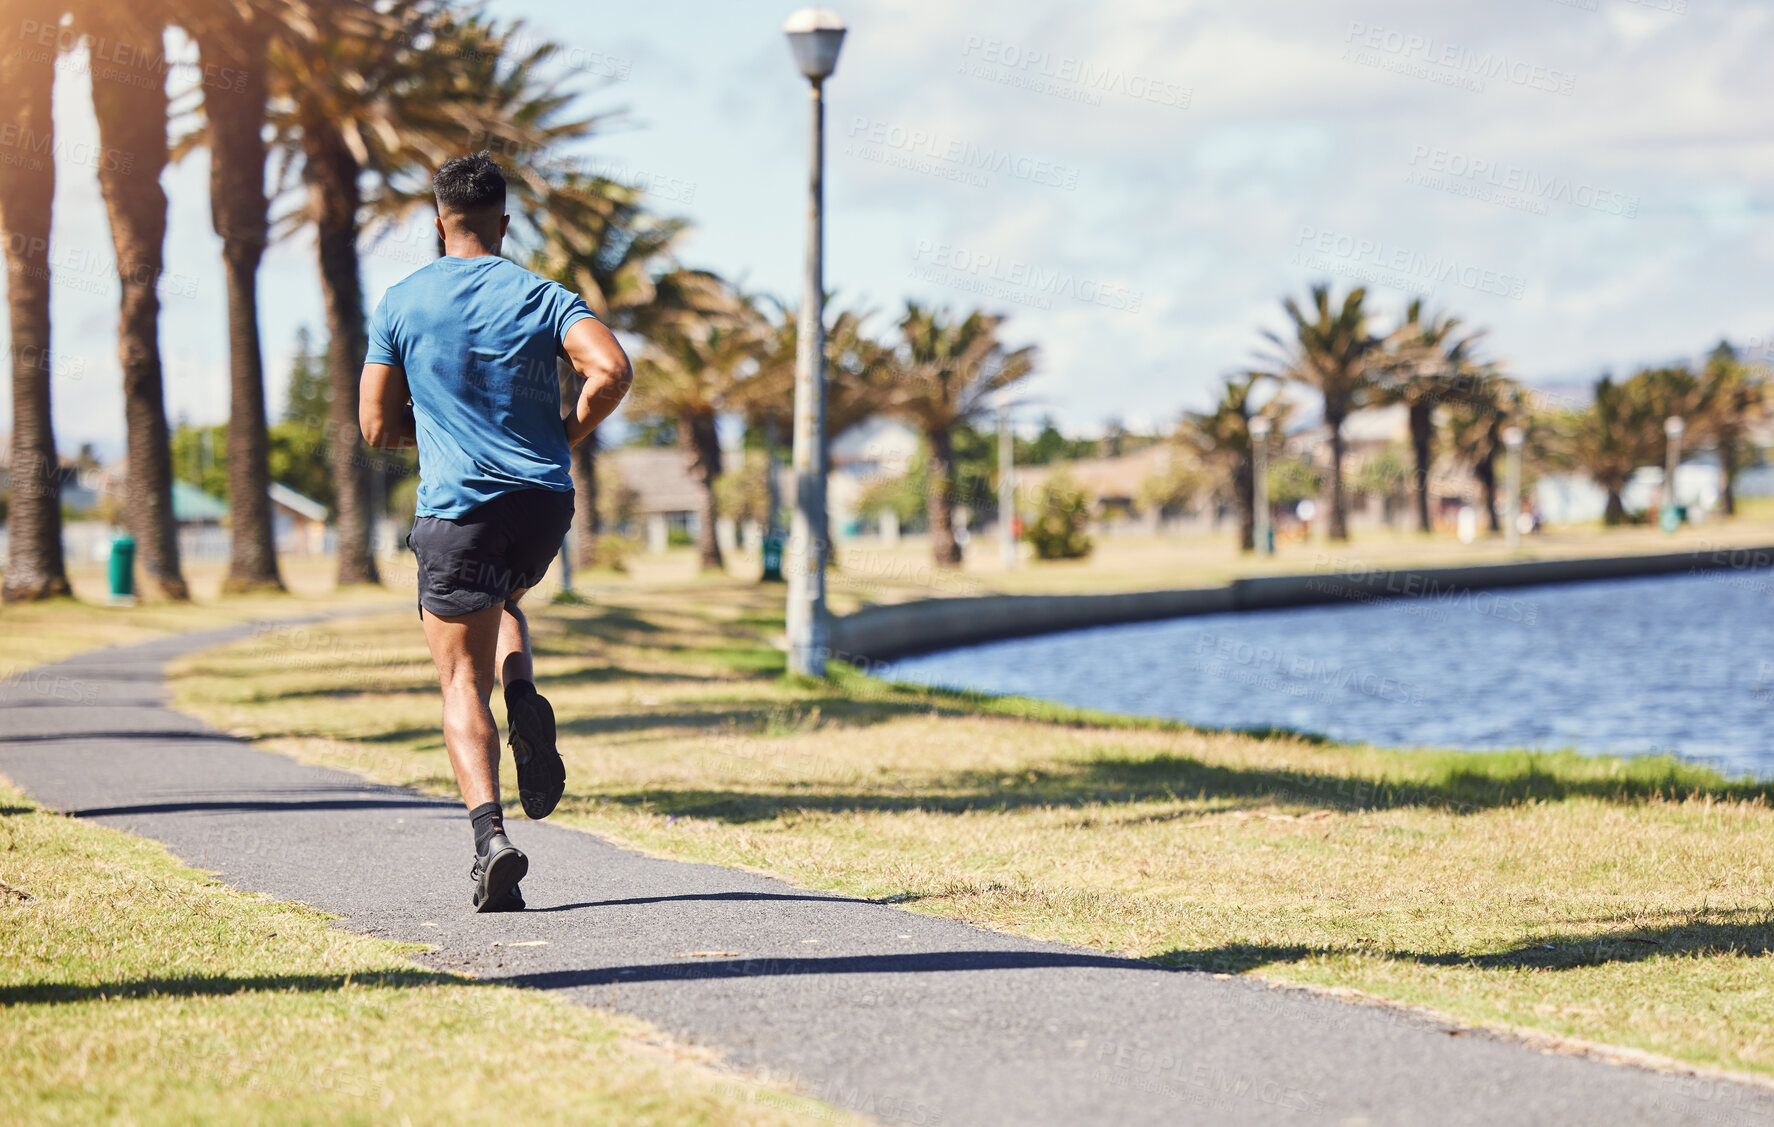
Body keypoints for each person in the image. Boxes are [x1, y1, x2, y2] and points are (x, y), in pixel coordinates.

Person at [359, 153, 632, 911]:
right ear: (504, 224)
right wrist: (564, 434)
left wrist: (443, 432)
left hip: (458, 508)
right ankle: (524, 694)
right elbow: (610, 369)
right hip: (542, 504)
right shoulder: (544, 295)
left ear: (438, 223)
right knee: (503, 597)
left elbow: (376, 425)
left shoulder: (401, 301)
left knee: (456, 679)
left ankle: (490, 842)